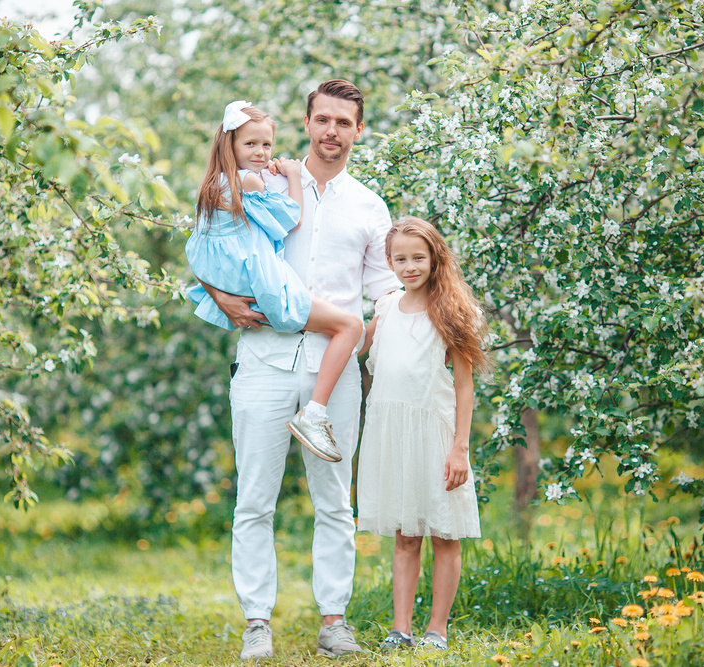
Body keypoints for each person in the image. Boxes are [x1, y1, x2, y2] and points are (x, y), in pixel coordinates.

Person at [196, 81, 401, 660]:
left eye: (344, 122)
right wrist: (221, 298)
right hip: (263, 360)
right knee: (254, 499)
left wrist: (395, 352)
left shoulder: (369, 206)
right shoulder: (259, 184)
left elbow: (384, 291)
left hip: (333, 373)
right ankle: (256, 622)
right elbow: (210, 242)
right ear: (307, 123)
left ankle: (333, 620)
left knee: (335, 501)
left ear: (359, 130)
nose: (332, 131)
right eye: (323, 119)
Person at [185, 101, 364, 463]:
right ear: (230, 145)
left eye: (266, 145)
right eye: (250, 144)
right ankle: (314, 414)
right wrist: (294, 177)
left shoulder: (214, 187)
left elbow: (200, 252)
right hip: (270, 290)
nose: (261, 153)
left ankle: (313, 412)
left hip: (249, 290)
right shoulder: (249, 181)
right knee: (351, 325)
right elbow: (289, 220)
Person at [356, 216, 489, 652]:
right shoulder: (386, 308)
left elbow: (464, 385)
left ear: (435, 257)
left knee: (444, 533)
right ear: (389, 262)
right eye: (400, 258)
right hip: (391, 434)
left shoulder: (452, 311)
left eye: (418, 257)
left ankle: (437, 629)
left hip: (435, 433)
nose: (409, 266)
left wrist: (459, 449)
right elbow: (357, 347)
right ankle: (401, 629)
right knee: (405, 534)